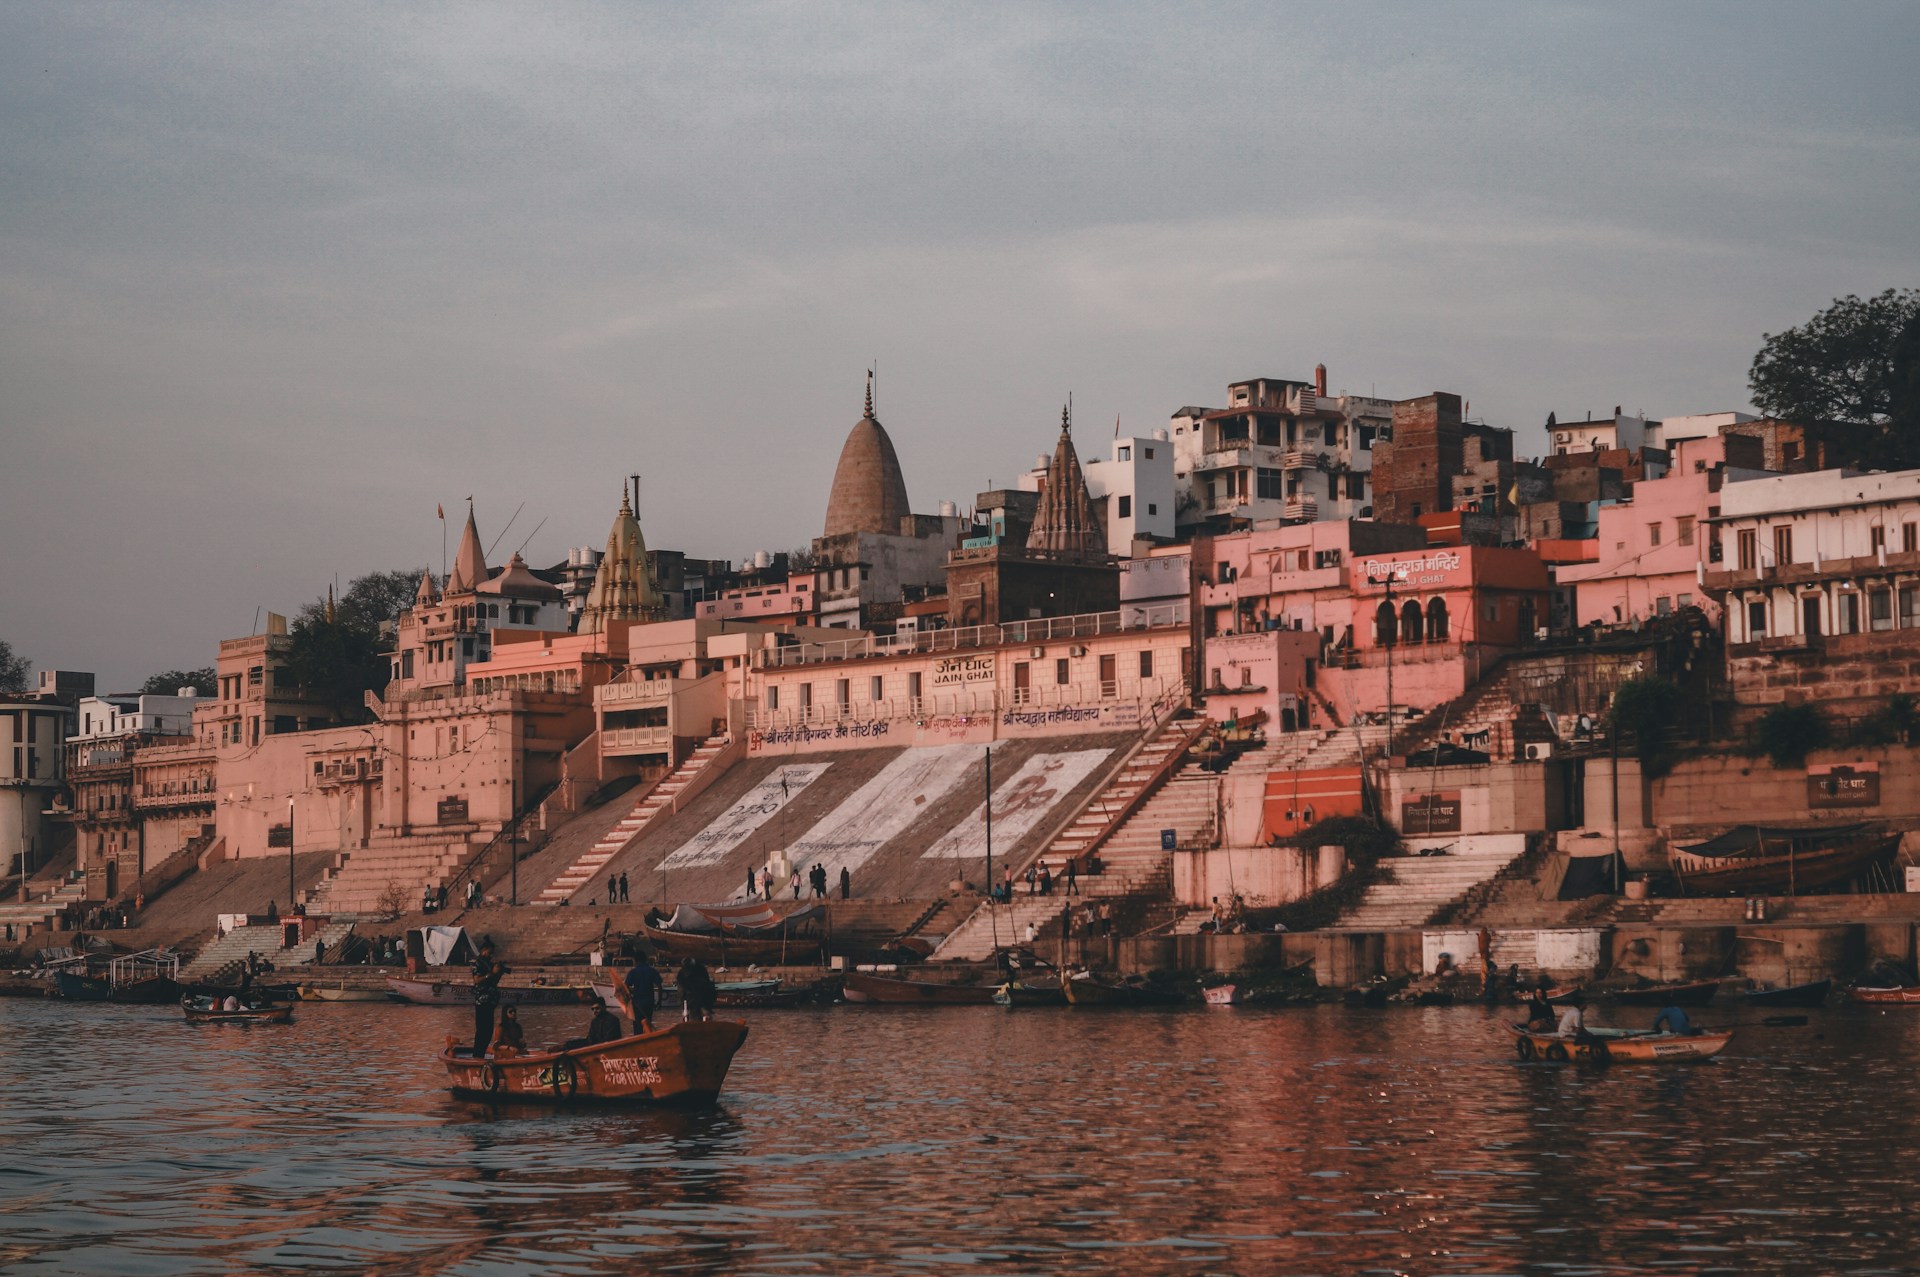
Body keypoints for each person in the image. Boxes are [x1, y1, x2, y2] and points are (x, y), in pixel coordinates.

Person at [470, 940, 506, 1058]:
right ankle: (477, 1056)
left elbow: (493, 982)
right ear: (483, 950)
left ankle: (481, 1054)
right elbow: (477, 980)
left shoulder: (488, 964)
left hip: (490, 1002)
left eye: (492, 954)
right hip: (481, 1001)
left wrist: (499, 973)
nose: (490, 956)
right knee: (481, 1031)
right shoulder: (477, 963)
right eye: (489, 953)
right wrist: (491, 973)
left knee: (488, 1031)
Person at [621, 949, 664, 1036]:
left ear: (636, 960)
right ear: (645, 959)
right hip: (649, 1002)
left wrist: (630, 994)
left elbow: (625, 986)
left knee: (638, 1027)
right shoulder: (652, 971)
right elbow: (659, 985)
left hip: (637, 1003)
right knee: (647, 1025)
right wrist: (659, 1001)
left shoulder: (633, 972)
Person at [678, 956, 717, 1023]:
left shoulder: (700, 971)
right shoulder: (681, 974)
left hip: (703, 996)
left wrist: (705, 1007)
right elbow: (682, 991)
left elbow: (707, 987)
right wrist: (684, 1008)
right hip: (691, 999)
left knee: (705, 1015)